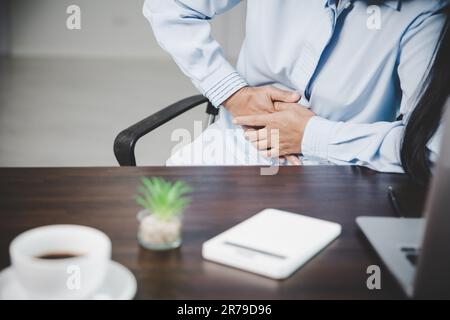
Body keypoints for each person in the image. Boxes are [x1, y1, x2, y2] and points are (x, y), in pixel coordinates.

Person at [143, 0, 448, 173]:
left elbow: (432, 149)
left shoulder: (427, 14)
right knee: (167, 241)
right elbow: (168, 6)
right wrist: (230, 91)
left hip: (341, 175)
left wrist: (312, 136)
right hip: (232, 149)